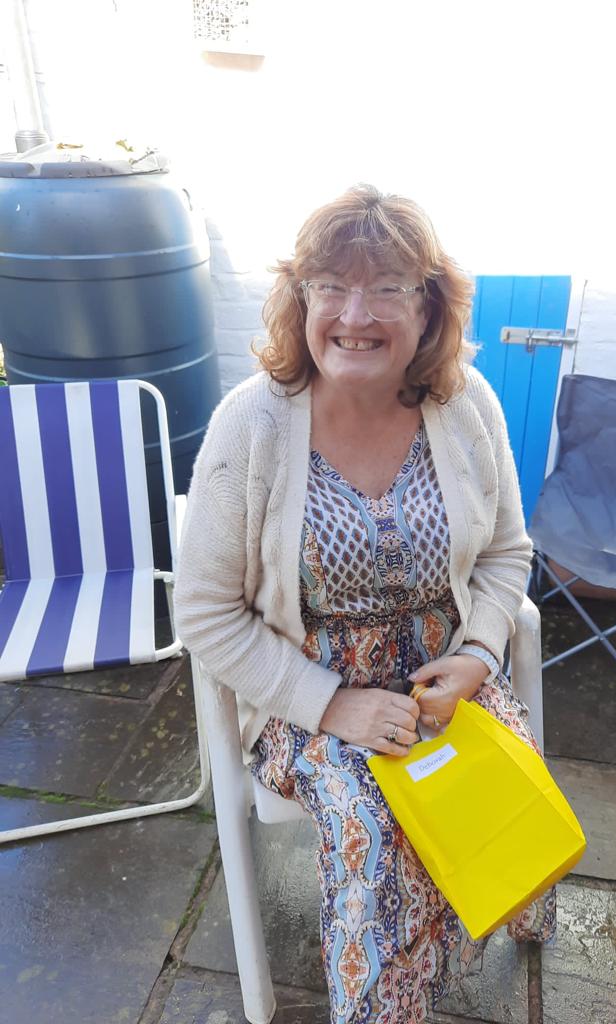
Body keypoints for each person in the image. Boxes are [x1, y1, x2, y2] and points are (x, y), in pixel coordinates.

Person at [175, 184, 555, 1024]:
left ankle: (507, 907)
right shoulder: (252, 426)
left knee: (495, 789)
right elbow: (203, 615)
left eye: (387, 287)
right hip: (301, 698)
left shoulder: (466, 405)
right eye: (330, 286)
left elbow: (504, 551)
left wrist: (479, 656)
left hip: (442, 682)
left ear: (427, 309)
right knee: (377, 832)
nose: (356, 312)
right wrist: (332, 703)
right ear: (299, 300)